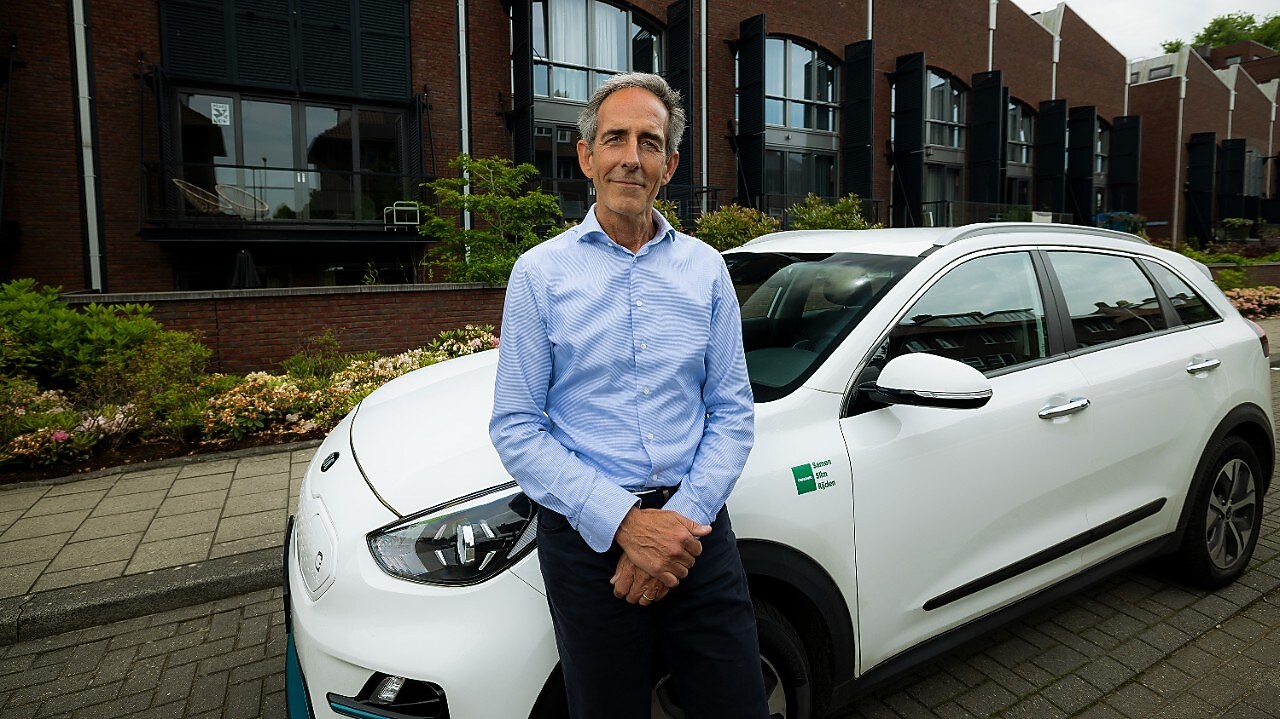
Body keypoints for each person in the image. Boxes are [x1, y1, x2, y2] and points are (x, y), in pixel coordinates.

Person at [489, 72, 768, 718]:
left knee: (738, 704)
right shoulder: (539, 275)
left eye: (650, 142)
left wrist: (677, 525)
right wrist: (624, 522)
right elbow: (516, 426)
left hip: (696, 531)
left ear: (669, 165)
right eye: (615, 139)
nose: (631, 158)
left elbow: (732, 413)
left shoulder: (706, 270)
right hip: (588, 543)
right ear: (587, 156)